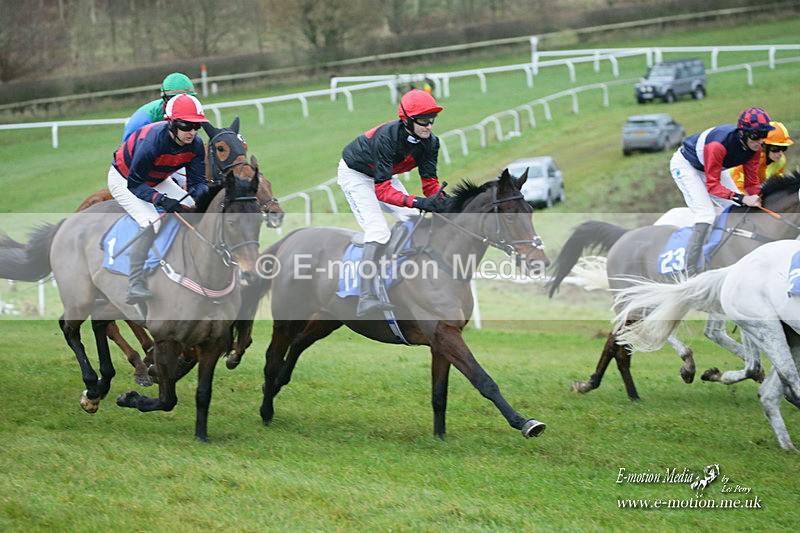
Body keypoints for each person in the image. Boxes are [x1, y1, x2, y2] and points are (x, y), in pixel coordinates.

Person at [338, 89, 449, 316]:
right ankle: (366, 296)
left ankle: (401, 275)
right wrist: (417, 201)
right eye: (424, 121)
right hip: (356, 175)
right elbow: (382, 192)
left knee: (412, 220)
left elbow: (430, 185)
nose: (429, 126)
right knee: (378, 231)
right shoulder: (387, 137)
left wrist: (445, 203)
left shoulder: (431, 143)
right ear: (407, 120)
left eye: (432, 120)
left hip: (384, 177)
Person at [108, 93, 210, 304]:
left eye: (196, 126)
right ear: (171, 123)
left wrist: (206, 198)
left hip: (157, 177)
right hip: (125, 178)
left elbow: (197, 183)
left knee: (192, 207)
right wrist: (161, 201)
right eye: (186, 126)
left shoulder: (196, 145)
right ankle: (135, 283)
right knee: (150, 222)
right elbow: (135, 184)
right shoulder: (151, 142)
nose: (192, 132)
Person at [669, 106, 774, 276]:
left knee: (736, 210)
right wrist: (742, 198)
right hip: (687, 166)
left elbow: (752, 183)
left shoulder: (755, 149)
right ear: (743, 133)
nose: (760, 141)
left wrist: (760, 197)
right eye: (756, 136)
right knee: (706, 214)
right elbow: (713, 186)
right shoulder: (718, 145)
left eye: (764, 135)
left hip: (713, 167)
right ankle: (690, 270)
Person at [728, 121, 793, 193]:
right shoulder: (749, 159)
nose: (780, 153)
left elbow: (776, 184)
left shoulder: (781, 161)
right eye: (775, 149)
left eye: (783, 148)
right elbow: (738, 185)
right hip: (728, 185)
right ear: (764, 146)